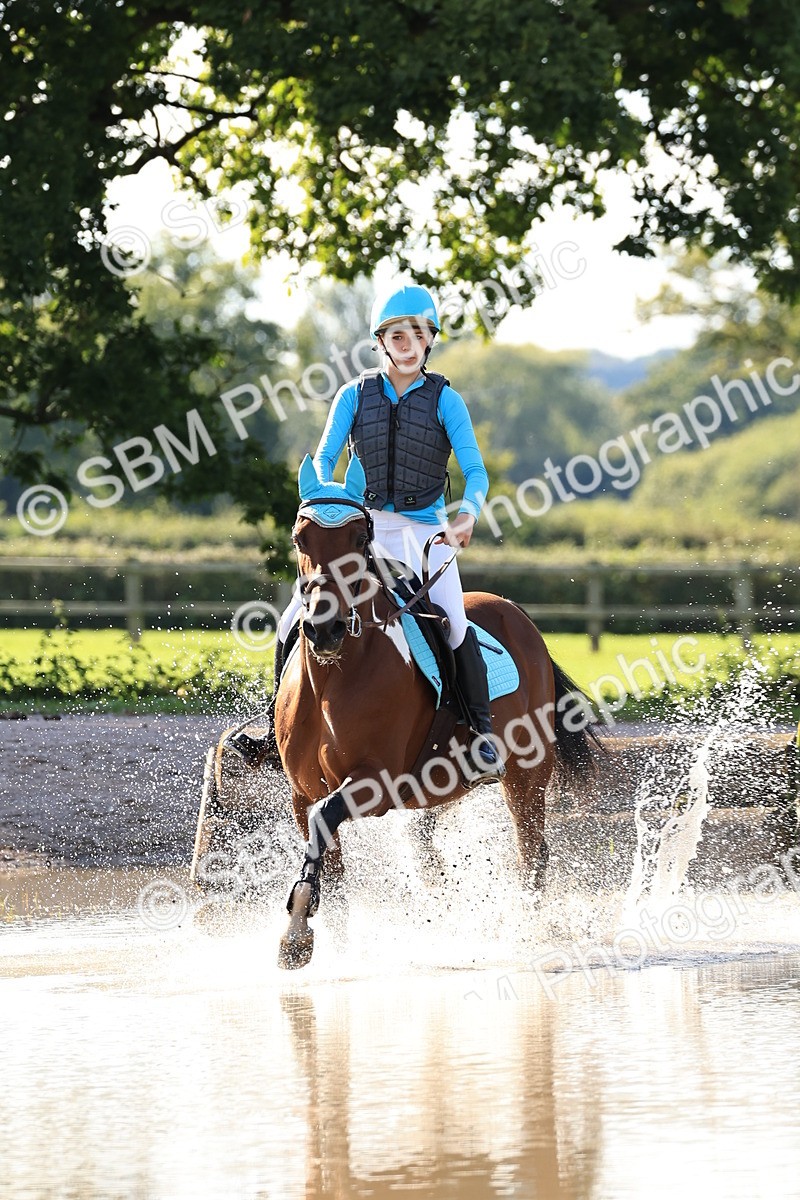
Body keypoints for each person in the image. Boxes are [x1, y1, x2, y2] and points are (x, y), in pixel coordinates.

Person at [230, 283, 504, 783]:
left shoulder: (447, 401)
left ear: (429, 341)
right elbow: (325, 456)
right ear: (381, 340)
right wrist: (322, 505)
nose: (405, 341)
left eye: (416, 333)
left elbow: (477, 473)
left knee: (455, 623)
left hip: (424, 531)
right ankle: (277, 731)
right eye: (395, 333)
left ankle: (482, 734)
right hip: (363, 530)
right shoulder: (353, 396)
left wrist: (465, 517)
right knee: (292, 617)